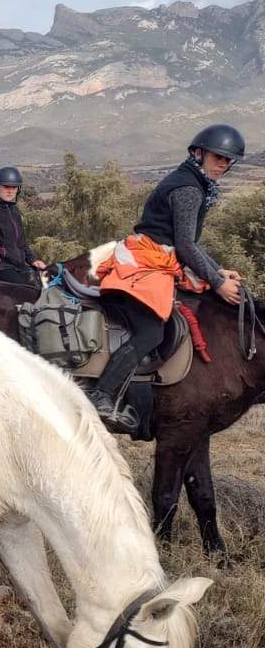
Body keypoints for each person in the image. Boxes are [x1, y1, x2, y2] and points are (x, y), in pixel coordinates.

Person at [88, 125, 247, 432]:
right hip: (143, 266)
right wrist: (218, 284)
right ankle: (101, 394)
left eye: (228, 161)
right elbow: (186, 246)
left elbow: (188, 244)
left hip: (155, 261)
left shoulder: (193, 181)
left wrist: (218, 270)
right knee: (151, 333)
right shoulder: (188, 190)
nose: (223, 165)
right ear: (199, 153)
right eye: (218, 157)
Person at [0, 166, 46, 287]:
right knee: (27, 291)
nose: (10, 191)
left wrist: (33, 260)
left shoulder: (14, 210)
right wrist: (3, 252)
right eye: (6, 186)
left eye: (14, 187)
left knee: (46, 283)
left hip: (18, 266)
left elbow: (21, 242)